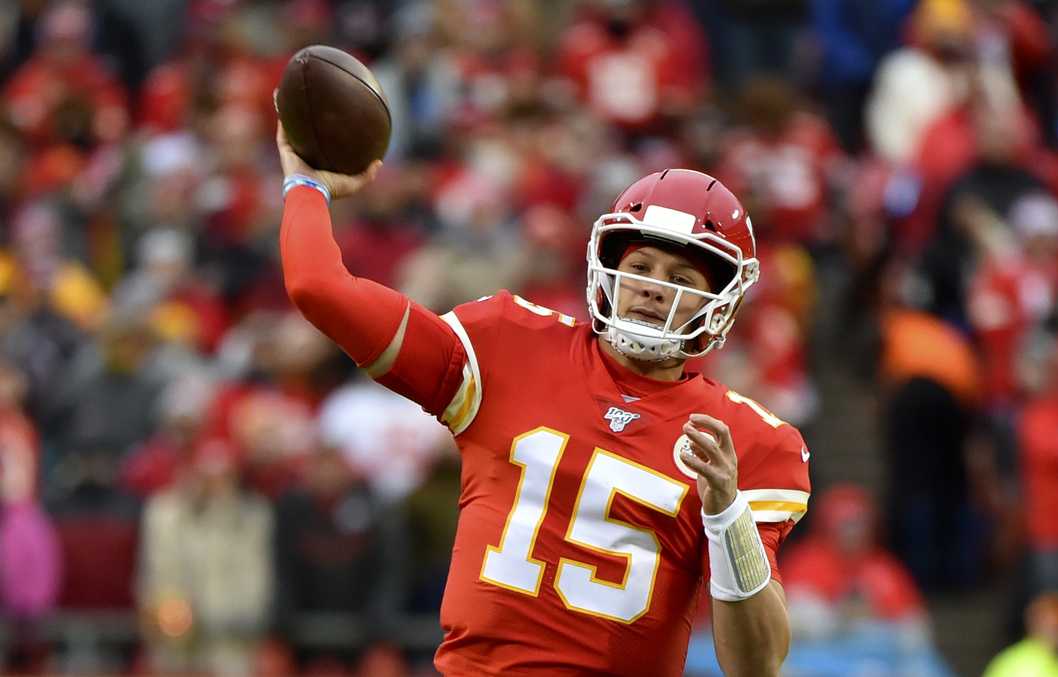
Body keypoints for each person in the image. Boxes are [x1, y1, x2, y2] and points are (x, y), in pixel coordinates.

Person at [274, 118, 811, 676]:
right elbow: (319, 287)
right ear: (606, 267)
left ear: (721, 300)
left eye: (681, 275)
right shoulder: (508, 346)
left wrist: (727, 513)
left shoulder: (746, 441)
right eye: (641, 266)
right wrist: (307, 186)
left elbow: (757, 664)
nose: (654, 286)